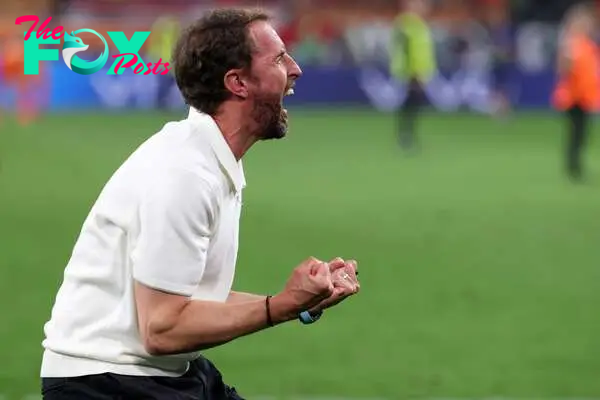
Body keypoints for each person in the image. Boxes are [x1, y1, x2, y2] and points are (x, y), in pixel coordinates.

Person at [40, 8, 360, 400]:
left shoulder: (207, 159)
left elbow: (186, 302)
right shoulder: (185, 174)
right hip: (108, 383)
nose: (295, 69)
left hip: (150, 374)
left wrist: (298, 302)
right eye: (278, 58)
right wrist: (279, 306)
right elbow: (161, 328)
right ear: (237, 82)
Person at [552, 2, 600, 181]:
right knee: (576, 133)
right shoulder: (572, 44)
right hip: (574, 97)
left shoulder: (588, 45)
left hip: (585, 96)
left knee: (581, 133)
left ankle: (575, 165)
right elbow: (563, 69)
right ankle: (574, 167)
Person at [390, 0, 436, 151]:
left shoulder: (418, 25)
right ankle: (405, 137)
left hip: (419, 71)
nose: (423, 8)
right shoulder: (407, 25)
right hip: (412, 73)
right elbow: (406, 52)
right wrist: (414, 73)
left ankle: (407, 136)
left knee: (413, 105)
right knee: (411, 105)